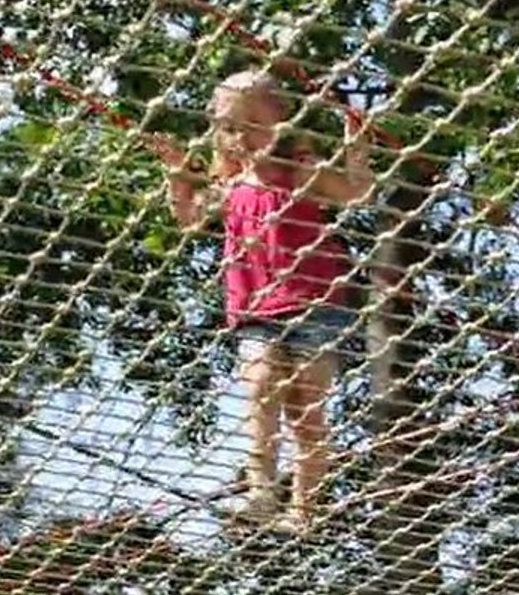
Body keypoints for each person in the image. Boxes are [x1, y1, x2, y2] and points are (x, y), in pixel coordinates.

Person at [146, 69, 375, 534]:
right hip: (255, 311)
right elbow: (189, 220)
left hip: (315, 304)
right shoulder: (231, 186)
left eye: (252, 123)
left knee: (307, 410)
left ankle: (304, 512)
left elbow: (357, 191)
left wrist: (357, 142)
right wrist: (176, 174)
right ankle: (261, 490)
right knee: (261, 385)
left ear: (281, 125)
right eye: (229, 127)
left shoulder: (299, 172)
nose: (240, 137)